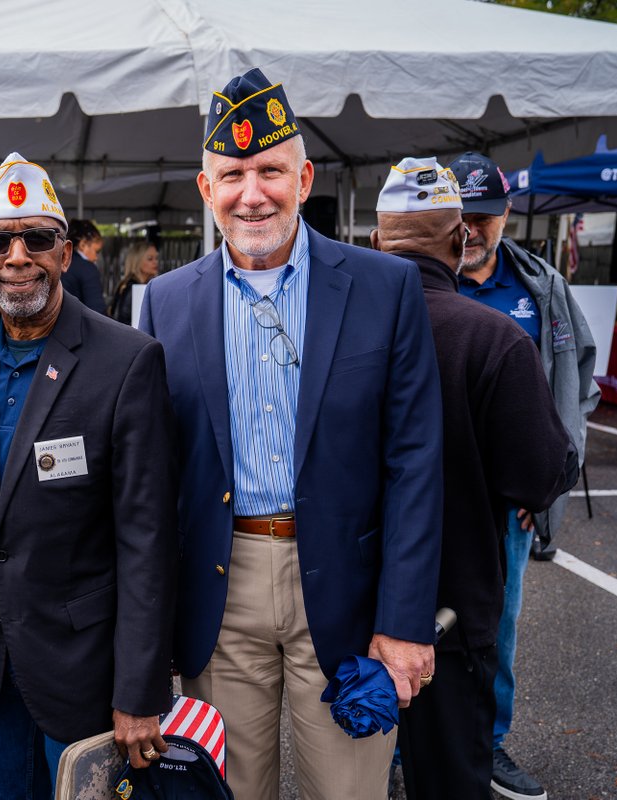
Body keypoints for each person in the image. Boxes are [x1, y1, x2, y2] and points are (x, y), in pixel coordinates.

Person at [139, 68, 444, 799]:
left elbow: (416, 460)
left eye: (270, 170)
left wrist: (405, 622)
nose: (253, 192)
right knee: (228, 791)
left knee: (347, 790)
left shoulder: (384, 287)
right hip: (220, 585)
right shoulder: (163, 302)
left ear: (303, 178)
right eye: (233, 173)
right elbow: (149, 478)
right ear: (205, 190)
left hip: (347, 586)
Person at [0, 153, 179, 800]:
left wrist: (140, 689)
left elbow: (147, 540)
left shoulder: (128, 361)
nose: (18, 255)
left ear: (65, 253)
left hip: (85, 676)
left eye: (37, 237)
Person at [370, 157, 579, 800]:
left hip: (342, 604)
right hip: (452, 612)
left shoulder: (329, 334)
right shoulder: (492, 339)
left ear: (377, 241)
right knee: (451, 777)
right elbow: (544, 472)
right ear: (461, 239)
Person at [448, 151, 600, 800]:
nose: (473, 229)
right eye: (462, 216)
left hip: (508, 505)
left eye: (485, 216)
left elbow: (577, 381)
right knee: (412, 621)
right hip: (432, 496)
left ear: (505, 213)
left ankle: (487, 744)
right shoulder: (419, 280)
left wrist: (545, 479)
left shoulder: (540, 287)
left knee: (496, 632)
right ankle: (410, 743)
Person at [60, 218, 107, 313]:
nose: (96, 257)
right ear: (83, 245)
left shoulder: (59, 263)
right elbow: (97, 311)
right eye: (96, 251)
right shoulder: (87, 268)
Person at [108, 241, 159, 325]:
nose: (155, 262)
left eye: (156, 258)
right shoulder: (132, 287)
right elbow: (123, 320)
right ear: (137, 261)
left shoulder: (128, 284)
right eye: (150, 258)